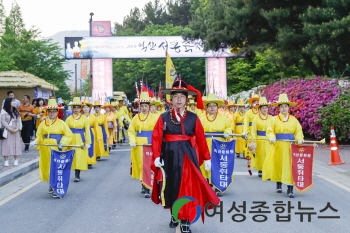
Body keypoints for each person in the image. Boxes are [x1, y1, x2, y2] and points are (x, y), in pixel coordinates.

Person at [151, 79, 220, 233]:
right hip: (169, 155)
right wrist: (156, 156)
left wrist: (207, 157)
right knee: (171, 186)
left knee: (187, 188)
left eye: (182, 96)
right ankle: (174, 214)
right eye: (176, 96)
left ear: (187, 99)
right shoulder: (163, 117)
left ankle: (185, 220)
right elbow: (156, 137)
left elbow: (201, 138)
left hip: (188, 155)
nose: (179, 99)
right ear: (171, 99)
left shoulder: (193, 118)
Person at [262, 94, 304, 198]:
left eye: (285, 106)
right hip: (278, 146)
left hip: (290, 146)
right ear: (278, 108)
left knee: (290, 167)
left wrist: (299, 138)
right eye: (281, 107)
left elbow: (298, 130)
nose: (284, 108)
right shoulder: (274, 120)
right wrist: (271, 136)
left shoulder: (294, 120)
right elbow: (270, 130)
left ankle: (290, 188)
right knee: (278, 165)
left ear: (288, 108)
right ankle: (278, 183)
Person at [29, 98, 73, 198]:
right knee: (48, 167)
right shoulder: (43, 123)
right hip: (45, 149)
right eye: (50, 112)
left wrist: (63, 142)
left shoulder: (62, 123)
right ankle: (51, 184)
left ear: (57, 112)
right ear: (47, 112)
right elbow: (39, 135)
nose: (52, 114)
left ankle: (56, 187)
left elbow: (68, 135)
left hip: (56, 148)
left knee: (56, 167)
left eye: (54, 112)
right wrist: (35, 141)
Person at [200, 93, 233, 197]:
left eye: (214, 105)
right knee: (206, 165)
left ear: (217, 107)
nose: (212, 108)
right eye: (210, 106)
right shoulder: (201, 119)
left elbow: (229, 127)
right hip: (205, 144)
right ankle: (208, 185)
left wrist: (227, 131)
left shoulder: (223, 118)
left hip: (219, 145)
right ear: (206, 107)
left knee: (218, 165)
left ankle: (218, 187)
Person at [128, 92, 158, 198]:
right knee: (141, 165)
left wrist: (157, 142)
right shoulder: (136, 118)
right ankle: (143, 184)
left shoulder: (155, 118)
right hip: (139, 145)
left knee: (148, 166)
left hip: (150, 144)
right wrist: (132, 140)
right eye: (142, 106)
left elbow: (158, 131)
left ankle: (147, 188)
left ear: (149, 107)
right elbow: (131, 130)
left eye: (146, 106)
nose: (144, 108)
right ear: (139, 107)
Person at [66, 97, 91, 182]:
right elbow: (65, 130)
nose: (76, 109)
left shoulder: (84, 118)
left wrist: (88, 141)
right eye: (74, 107)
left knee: (79, 156)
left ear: (81, 108)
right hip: (71, 138)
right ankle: (68, 173)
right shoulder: (69, 118)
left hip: (81, 138)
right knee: (71, 156)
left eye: (78, 107)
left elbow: (87, 130)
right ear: (72, 109)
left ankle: (77, 174)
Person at [249, 97, 273, 177]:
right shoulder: (256, 119)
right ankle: (261, 169)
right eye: (263, 108)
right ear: (259, 109)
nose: (264, 110)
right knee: (261, 155)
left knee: (269, 155)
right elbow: (253, 131)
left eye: (266, 108)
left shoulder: (271, 118)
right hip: (259, 138)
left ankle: (268, 171)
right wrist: (253, 140)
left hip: (269, 139)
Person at [1, 98, 22, 166]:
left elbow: (18, 120)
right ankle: (6, 161)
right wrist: (10, 129)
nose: (14, 102)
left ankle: (16, 160)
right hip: (7, 131)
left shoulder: (15, 111)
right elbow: (3, 121)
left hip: (15, 131)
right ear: (8, 102)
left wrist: (16, 129)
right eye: (13, 101)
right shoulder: (3, 111)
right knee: (6, 145)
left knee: (15, 145)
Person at [83, 99, 98, 169]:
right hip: (82, 132)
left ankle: (90, 161)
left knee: (91, 146)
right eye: (84, 107)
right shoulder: (81, 116)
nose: (86, 109)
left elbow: (96, 127)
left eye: (87, 107)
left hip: (91, 131)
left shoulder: (93, 117)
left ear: (90, 108)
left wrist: (98, 137)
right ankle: (83, 161)